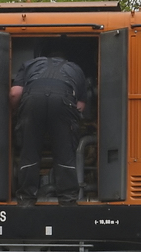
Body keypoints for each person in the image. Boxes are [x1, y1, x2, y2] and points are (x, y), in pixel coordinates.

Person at [10, 48, 88, 205]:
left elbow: (15, 93)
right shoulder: (75, 68)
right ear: (64, 60)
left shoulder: (30, 64)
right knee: (65, 153)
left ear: (43, 58)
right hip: (64, 101)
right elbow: (79, 106)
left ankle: (26, 200)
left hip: (32, 100)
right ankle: (67, 201)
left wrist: (18, 116)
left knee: (29, 153)